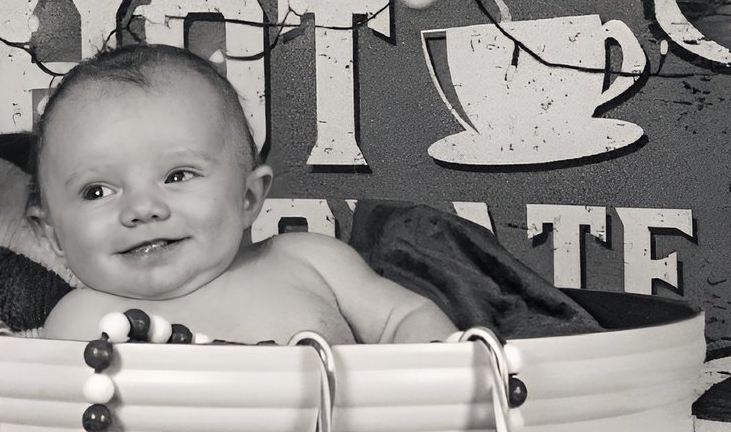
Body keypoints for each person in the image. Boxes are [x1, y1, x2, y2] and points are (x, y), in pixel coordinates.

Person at [33, 45, 454, 346]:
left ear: (248, 197)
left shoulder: (309, 262)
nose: (142, 209)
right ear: (53, 236)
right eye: (97, 191)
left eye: (178, 175)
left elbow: (405, 317)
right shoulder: (82, 322)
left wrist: (436, 377)